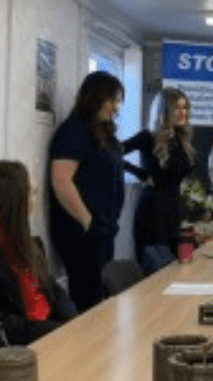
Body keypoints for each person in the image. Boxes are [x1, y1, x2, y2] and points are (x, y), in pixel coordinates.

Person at [49, 71, 125, 312]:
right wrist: (87, 221)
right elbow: (61, 181)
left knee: (101, 300)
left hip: (103, 229)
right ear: (95, 98)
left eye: (117, 102)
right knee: (88, 303)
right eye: (111, 100)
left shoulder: (102, 131)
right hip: (83, 233)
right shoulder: (74, 130)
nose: (114, 107)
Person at [0, 161, 77, 344]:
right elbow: (6, 324)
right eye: (32, 192)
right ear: (15, 200)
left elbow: (53, 288)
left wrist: (69, 317)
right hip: (21, 349)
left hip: (51, 334)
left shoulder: (31, 245)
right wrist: (50, 329)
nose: (36, 197)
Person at [123, 87, 196, 265]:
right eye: (177, 108)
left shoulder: (181, 138)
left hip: (174, 210)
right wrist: (140, 174)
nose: (183, 112)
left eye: (185, 108)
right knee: (157, 267)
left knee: (179, 265)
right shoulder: (148, 136)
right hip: (153, 212)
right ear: (165, 111)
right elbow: (111, 153)